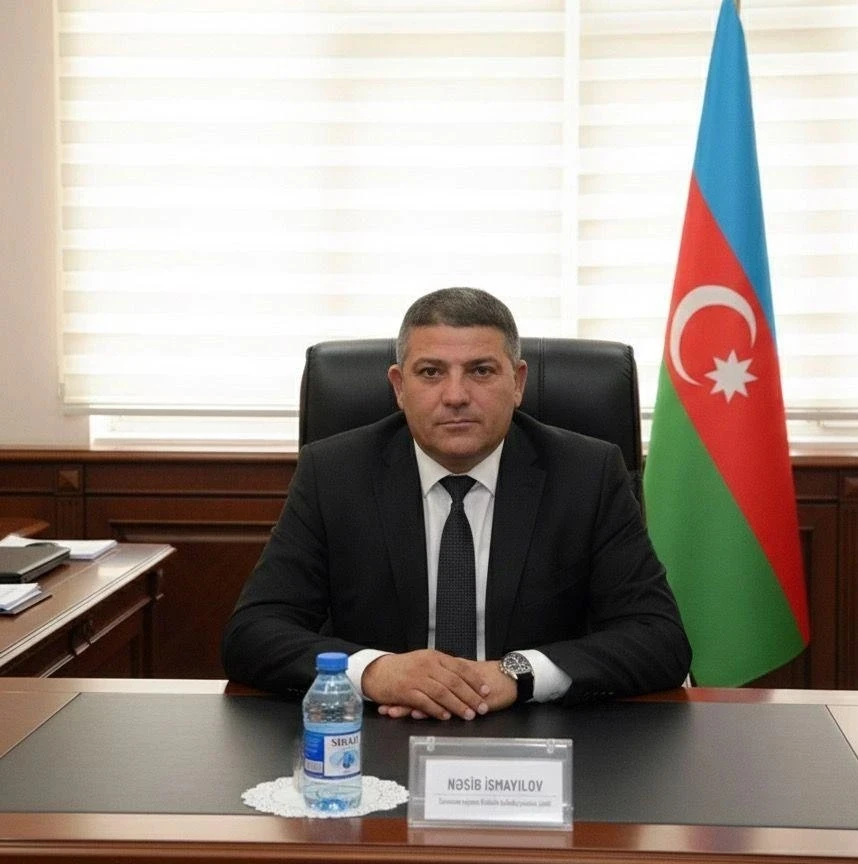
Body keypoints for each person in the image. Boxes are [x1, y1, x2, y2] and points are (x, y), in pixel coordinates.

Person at [222, 287, 691, 719]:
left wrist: (518, 674)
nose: (456, 396)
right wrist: (376, 671)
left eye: (481, 371)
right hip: (379, 734)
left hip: (536, 736)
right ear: (399, 386)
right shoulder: (334, 473)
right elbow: (253, 632)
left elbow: (659, 639)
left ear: (518, 382)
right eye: (431, 373)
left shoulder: (587, 474)